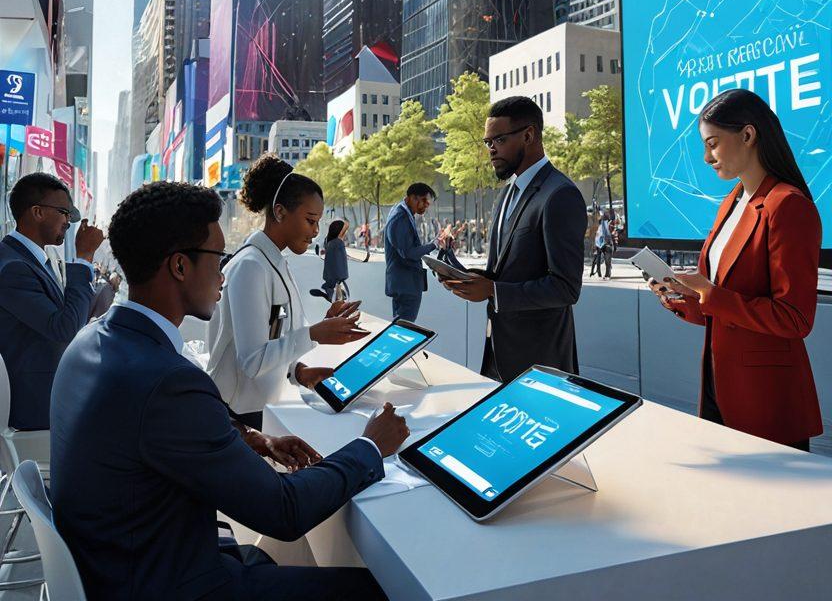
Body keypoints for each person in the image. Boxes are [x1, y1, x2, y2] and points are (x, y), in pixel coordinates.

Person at [49, 180, 408, 601]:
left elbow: (148, 432)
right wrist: (368, 447)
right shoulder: (169, 381)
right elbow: (284, 511)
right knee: (381, 588)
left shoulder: (91, 341)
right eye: (218, 258)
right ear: (180, 266)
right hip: (170, 583)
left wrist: (251, 437)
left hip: (124, 564)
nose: (224, 271)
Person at [651, 88, 822, 450]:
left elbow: (795, 319)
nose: (706, 157)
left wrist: (711, 295)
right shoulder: (732, 201)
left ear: (748, 134)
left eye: (712, 143)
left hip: (767, 402)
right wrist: (682, 297)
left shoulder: (788, 206)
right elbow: (721, 309)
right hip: (718, 386)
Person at [207, 155, 368, 429]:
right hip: (237, 421)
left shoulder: (274, 263)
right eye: (310, 220)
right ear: (280, 212)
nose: (316, 232)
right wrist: (315, 334)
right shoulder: (250, 267)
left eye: (318, 223)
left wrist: (298, 372)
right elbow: (252, 362)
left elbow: (274, 339)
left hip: (261, 411)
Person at [442, 96, 587, 382]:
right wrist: (473, 280)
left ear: (529, 135)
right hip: (498, 352)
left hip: (540, 362)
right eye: (487, 143)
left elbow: (566, 288)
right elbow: (506, 271)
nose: (491, 150)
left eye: (498, 140)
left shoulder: (560, 195)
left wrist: (493, 291)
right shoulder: (508, 192)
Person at [0, 173, 103, 430]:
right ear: (37, 212)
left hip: (50, 398)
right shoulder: (14, 267)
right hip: (33, 410)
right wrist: (84, 257)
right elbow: (63, 328)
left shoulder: (33, 260)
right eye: (63, 212)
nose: (69, 222)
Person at [384, 183, 442, 322]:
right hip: (406, 284)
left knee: (401, 327)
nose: (426, 206)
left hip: (404, 283)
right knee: (404, 329)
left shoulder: (403, 212)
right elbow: (408, 252)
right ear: (413, 198)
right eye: (424, 201)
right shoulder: (400, 217)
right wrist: (434, 244)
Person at [320, 219, 350, 302]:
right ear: (339, 231)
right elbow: (339, 262)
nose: (345, 233)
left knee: (338, 293)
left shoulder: (329, 241)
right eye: (344, 231)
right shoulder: (338, 243)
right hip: (337, 277)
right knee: (340, 296)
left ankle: (333, 296)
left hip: (330, 276)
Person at [590, 211, 613, 279]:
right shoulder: (599, 225)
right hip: (600, 243)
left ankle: (607, 274)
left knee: (607, 260)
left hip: (606, 243)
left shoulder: (608, 224)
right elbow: (595, 235)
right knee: (598, 259)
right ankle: (599, 273)